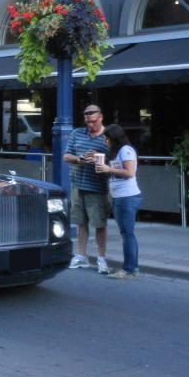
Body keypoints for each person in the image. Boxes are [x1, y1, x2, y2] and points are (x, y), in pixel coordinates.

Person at [63, 104, 111, 274]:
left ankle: (101, 258)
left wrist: (99, 161)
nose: (89, 118)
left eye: (92, 114)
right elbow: (66, 155)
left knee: (100, 224)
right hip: (78, 185)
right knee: (80, 223)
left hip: (98, 188)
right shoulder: (77, 133)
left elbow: (115, 162)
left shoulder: (108, 137)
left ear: (101, 116)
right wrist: (80, 159)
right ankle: (82, 256)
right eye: (86, 115)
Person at [95, 124, 143, 279]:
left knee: (127, 234)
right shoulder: (116, 152)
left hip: (127, 197)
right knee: (126, 233)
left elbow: (130, 172)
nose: (105, 141)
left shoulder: (126, 150)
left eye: (107, 138)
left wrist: (109, 170)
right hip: (119, 197)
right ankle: (131, 268)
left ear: (113, 138)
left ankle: (130, 269)